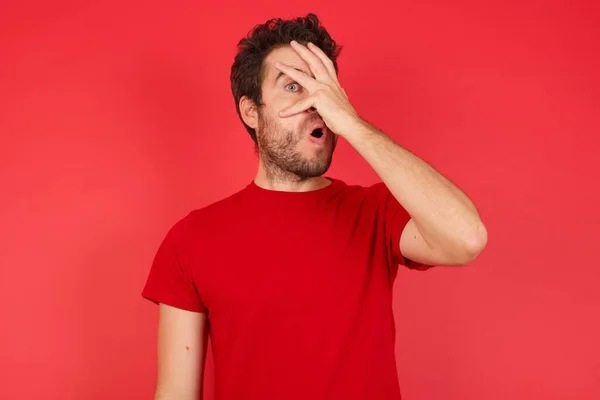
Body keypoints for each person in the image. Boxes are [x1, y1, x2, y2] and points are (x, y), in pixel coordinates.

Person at [142, 13, 487, 400]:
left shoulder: (375, 212)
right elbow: (176, 392)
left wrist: (352, 122)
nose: (315, 102)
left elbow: (466, 237)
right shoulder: (191, 239)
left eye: (324, 88)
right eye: (294, 85)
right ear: (251, 112)